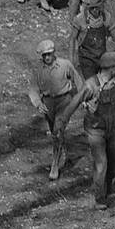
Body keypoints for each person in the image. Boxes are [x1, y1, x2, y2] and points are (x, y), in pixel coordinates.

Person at [27, 38, 86, 182]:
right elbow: (33, 89)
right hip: (48, 103)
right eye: (44, 55)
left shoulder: (65, 65)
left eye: (49, 54)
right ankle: (61, 149)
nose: (47, 57)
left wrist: (83, 98)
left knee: (57, 130)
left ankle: (55, 164)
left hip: (64, 101)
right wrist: (37, 103)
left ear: (54, 53)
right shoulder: (38, 70)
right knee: (55, 131)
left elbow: (78, 81)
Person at [77, 50, 115, 208]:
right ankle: (99, 197)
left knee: (112, 160)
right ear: (112, 68)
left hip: (113, 128)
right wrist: (86, 105)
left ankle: (109, 189)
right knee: (101, 162)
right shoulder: (92, 84)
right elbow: (78, 101)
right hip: (96, 130)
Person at [73, 0, 115, 78]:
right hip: (87, 57)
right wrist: (73, 57)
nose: (95, 10)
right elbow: (73, 39)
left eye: (97, 7)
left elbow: (114, 36)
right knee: (91, 83)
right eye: (92, 8)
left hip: (101, 56)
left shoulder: (106, 16)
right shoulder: (80, 19)